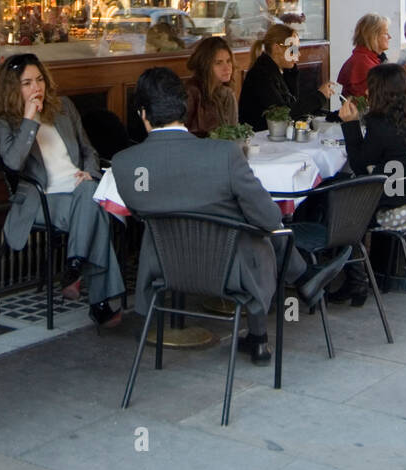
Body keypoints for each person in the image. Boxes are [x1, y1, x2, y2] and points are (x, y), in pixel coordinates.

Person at [110, 68, 350, 364]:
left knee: (249, 225)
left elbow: (140, 209)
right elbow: (268, 215)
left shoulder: (124, 165)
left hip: (164, 269)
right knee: (260, 229)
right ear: (184, 109)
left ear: (142, 113)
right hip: (229, 270)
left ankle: (300, 281)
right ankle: (268, 324)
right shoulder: (222, 154)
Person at [0, 54, 125, 327]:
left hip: (77, 191)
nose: (36, 88)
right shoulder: (5, 121)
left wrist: (91, 172)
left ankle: (75, 265)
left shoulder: (63, 108)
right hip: (41, 199)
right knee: (95, 208)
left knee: (89, 192)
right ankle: (92, 293)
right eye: (27, 83)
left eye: (39, 80)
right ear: (12, 88)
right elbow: (13, 162)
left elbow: (88, 150)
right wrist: (29, 119)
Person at [337, 64, 406, 303]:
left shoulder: (380, 123)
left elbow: (361, 164)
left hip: (397, 208)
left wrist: (350, 124)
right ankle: (353, 276)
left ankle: (355, 282)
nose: (365, 93)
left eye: (370, 89)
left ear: (380, 93)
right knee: (346, 192)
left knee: (342, 203)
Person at [238, 24, 336, 131]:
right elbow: (284, 114)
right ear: (277, 48)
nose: (297, 54)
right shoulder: (261, 75)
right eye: (293, 49)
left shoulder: (280, 72)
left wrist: (291, 73)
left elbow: (294, 106)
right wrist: (319, 97)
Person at [185, 35, 238, 137]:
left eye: (228, 61)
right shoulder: (191, 92)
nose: (226, 68)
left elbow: (233, 132)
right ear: (206, 65)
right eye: (218, 63)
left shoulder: (227, 93)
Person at [337, 14, 391, 98]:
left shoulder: (372, 58)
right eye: (386, 33)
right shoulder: (363, 63)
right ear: (373, 36)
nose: (390, 37)